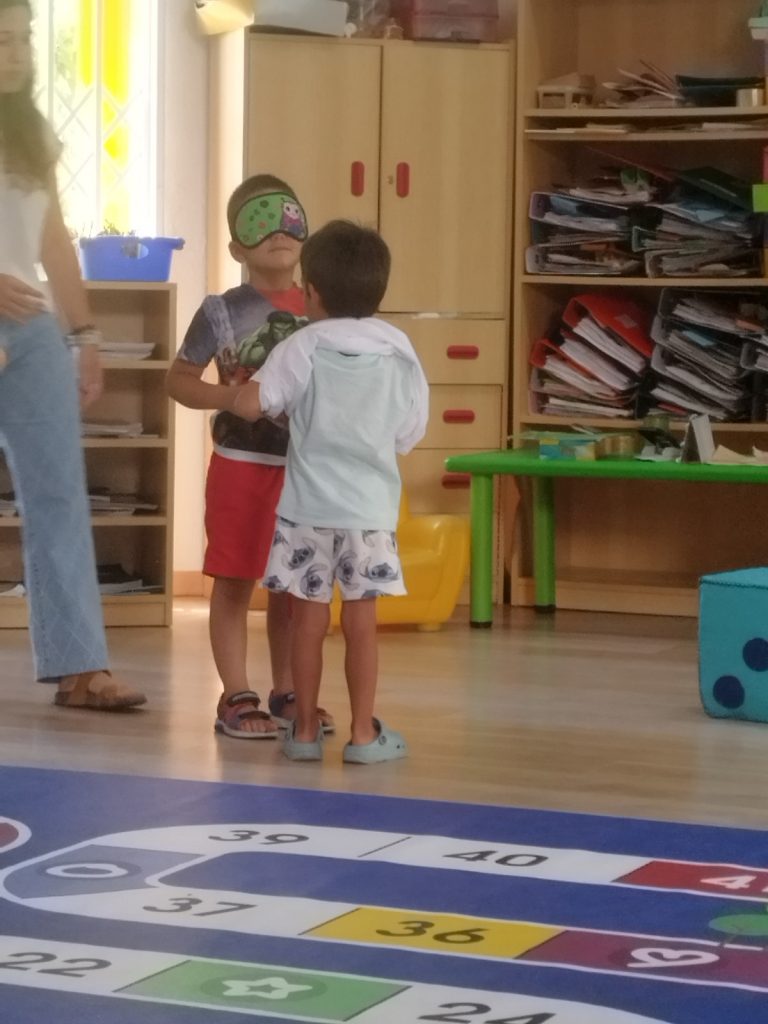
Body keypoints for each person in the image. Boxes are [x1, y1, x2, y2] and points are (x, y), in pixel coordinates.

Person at [234, 219, 429, 763]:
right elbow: (409, 433)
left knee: (308, 624)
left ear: (312, 292)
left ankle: (302, 733)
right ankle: (363, 735)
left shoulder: (301, 345)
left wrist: (243, 395)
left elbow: (252, 405)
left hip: (306, 513)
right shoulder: (400, 351)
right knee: (361, 625)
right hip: (369, 515)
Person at [0, 0, 145, 709]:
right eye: (3, 39)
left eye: (24, 38)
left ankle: (81, 667)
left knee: (58, 495)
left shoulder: (30, 136)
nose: (18, 52)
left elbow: (52, 237)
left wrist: (85, 335)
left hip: (30, 329)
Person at [166, 175, 335, 739]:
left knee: (291, 584)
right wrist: (229, 399)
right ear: (237, 248)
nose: (277, 232)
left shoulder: (324, 306)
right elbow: (178, 380)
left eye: (288, 218)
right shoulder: (220, 311)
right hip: (240, 467)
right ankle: (235, 694)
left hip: (306, 470)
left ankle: (287, 690)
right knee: (235, 579)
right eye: (259, 222)